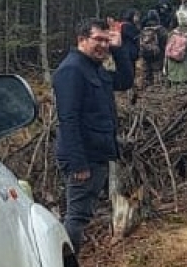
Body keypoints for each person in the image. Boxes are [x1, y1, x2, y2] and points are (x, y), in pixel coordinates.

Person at [53, 19, 135, 257]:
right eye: (98, 40)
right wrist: (78, 164)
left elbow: (125, 81)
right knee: (77, 217)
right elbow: (68, 119)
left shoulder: (95, 67)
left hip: (98, 154)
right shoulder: (71, 70)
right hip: (83, 158)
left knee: (82, 215)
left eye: (106, 40)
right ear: (81, 40)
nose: (103, 45)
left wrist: (119, 49)